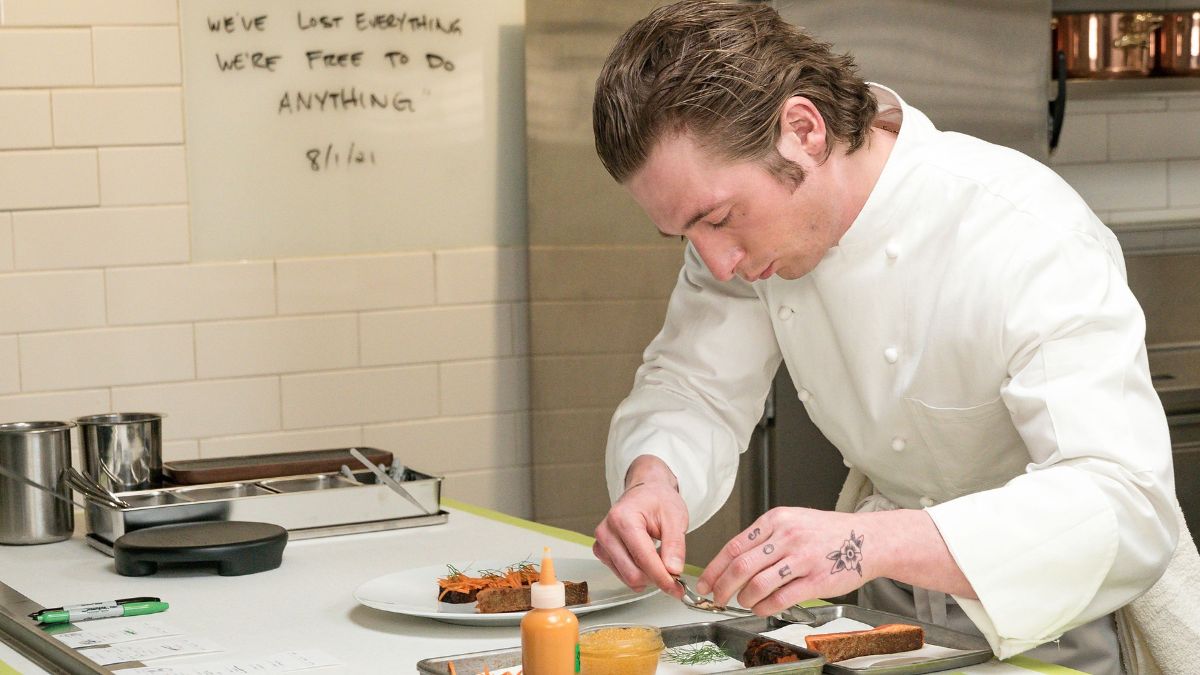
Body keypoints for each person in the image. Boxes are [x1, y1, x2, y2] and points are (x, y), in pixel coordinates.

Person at [589, 1, 1180, 672]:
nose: (716, 259)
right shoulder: (745, 246)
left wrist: (865, 542)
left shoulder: (1023, 231)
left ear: (803, 131)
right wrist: (654, 478)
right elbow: (692, 385)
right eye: (687, 234)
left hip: (1049, 626)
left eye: (720, 218)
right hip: (879, 619)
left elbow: (1126, 508)